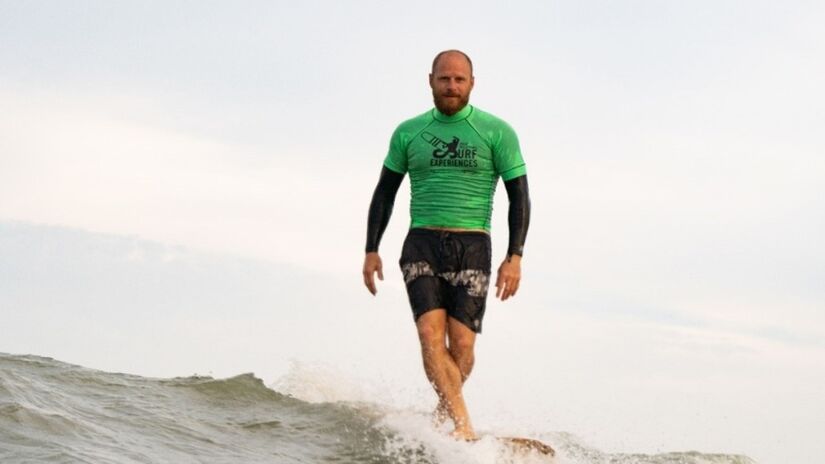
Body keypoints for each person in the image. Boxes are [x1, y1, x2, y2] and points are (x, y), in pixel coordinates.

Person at [362, 49, 530, 440]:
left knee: (463, 346)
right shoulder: (409, 131)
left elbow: (519, 196)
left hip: (473, 244)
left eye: (459, 79)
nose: (451, 86)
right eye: (444, 79)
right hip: (421, 242)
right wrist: (371, 247)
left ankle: (441, 418)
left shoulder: (496, 131)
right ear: (431, 80)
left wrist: (514, 256)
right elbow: (385, 192)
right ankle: (464, 428)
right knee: (429, 336)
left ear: (472, 83)